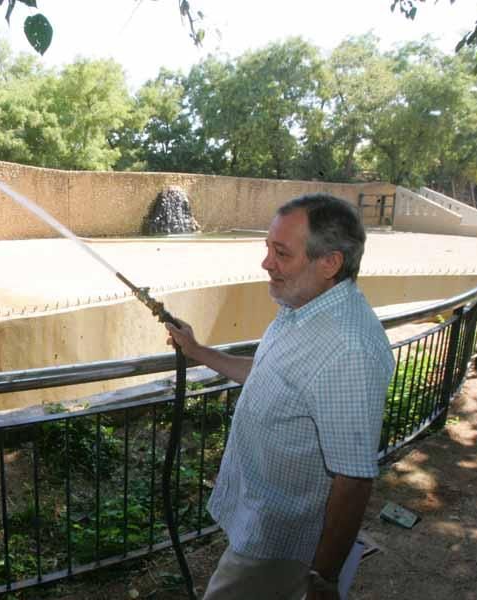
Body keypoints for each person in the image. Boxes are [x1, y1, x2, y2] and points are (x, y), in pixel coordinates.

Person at [166, 194, 395, 600]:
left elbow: (354, 480)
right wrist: (198, 351)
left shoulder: (348, 348)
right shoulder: (301, 308)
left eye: (281, 252)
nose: (266, 263)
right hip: (259, 516)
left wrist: (321, 578)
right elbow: (265, 374)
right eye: (268, 248)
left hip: (281, 538)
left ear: (329, 263)